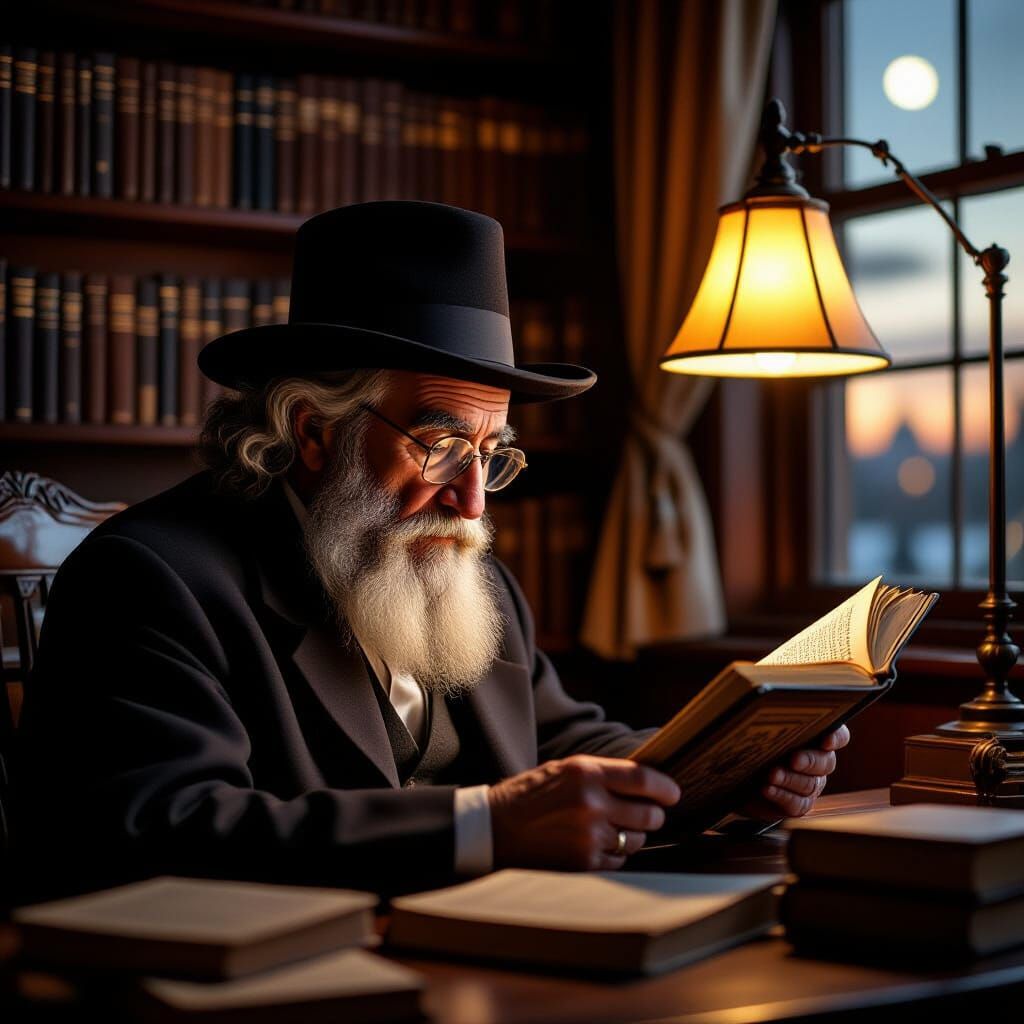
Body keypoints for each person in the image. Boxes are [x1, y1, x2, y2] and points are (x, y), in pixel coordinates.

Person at [14, 202, 848, 902]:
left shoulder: (462, 571)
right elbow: (159, 826)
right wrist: (484, 825)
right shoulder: (153, 578)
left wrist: (723, 773)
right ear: (314, 432)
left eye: (492, 453)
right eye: (441, 444)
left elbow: (558, 747)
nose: (473, 499)